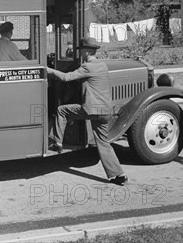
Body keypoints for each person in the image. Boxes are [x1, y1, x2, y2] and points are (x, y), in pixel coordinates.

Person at [47, 37, 128, 186]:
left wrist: (48, 70)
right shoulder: (102, 65)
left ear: (86, 51)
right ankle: (118, 174)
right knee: (104, 143)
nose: (80, 53)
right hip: (106, 111)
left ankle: (57, 142)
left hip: (92, 110)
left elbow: (66, 78)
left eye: (81, 50)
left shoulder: (87, 67)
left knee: (62, 111)